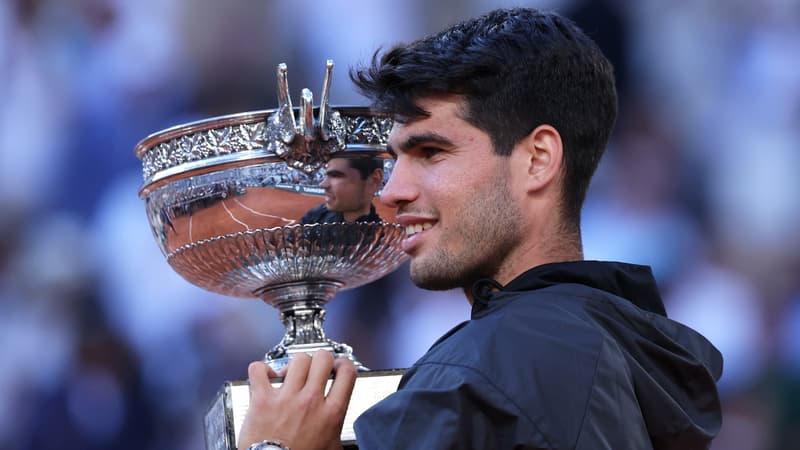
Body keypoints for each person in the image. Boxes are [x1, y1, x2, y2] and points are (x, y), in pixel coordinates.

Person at [237, 8, 723, 450]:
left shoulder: (485, 374)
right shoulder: (612, 345)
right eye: (393, 160)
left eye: (430, 153)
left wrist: (274, 448)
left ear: (537, 160)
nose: (390, 192)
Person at [300, 156, 383, 224]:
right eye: (327, 175)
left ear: (373, 180)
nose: (323, 184)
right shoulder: (315, 217)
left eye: (335, 175)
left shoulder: (383, 240)